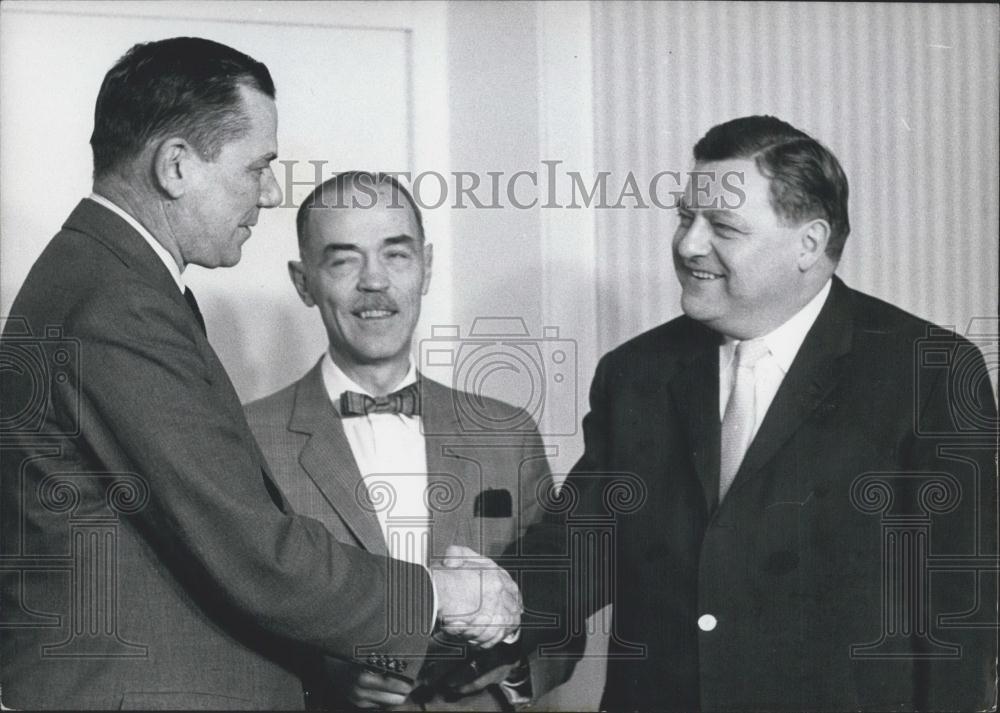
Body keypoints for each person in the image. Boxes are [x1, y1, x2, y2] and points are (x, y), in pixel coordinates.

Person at [0, 38, 517, 710]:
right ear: (177, 166)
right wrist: (443, 593)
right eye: (257, 167)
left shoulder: (108, 278)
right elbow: (250, 549)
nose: (271, 192)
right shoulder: (116, 301)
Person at [517, 115, 997, 711]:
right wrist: (466, 601)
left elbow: (958, 615)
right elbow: (580, 551)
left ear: (810, 243)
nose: (689, 244)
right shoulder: (634, 372)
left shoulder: (929, 372)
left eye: (722, 225)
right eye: (685, 218)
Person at [245, 171, 578, 710]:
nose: (374, 281)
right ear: (304, 282)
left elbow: (564, 609)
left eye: (395, 255)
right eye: (343, 259)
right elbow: (228, 624)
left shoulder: (507, 433)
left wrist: (509, 666)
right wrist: (322, 681)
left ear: (425, 267)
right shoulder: (247, 439)